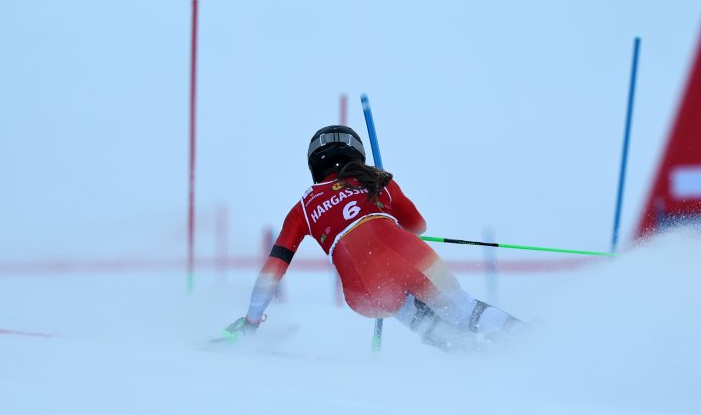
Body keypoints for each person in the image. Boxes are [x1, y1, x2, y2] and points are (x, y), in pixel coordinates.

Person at [220, 125, 524, 350]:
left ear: (314, 162)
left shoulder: (303, 207)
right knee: (460, 307)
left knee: (405, 307)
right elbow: (418, 225)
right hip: (408, 254)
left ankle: (464, 350)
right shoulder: (379, 181)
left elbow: (274, 269)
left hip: (361, 292)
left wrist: (251, 320)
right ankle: (522, 340)